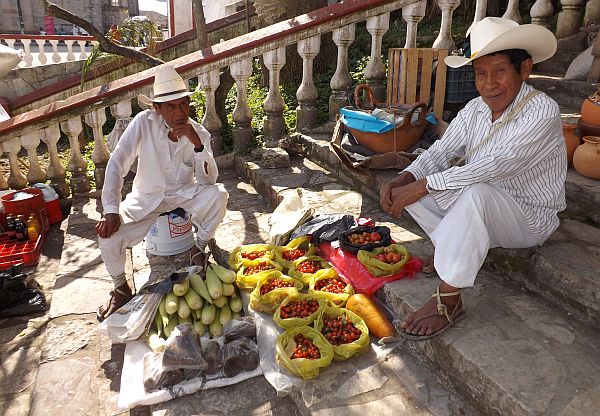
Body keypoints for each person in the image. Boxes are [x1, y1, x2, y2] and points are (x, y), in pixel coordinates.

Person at [380, 17, 566, 340]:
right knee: (419, 189)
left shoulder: (543, 111)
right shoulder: (475, 109)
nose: (489, 84)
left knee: (471, 192)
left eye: (499, 72)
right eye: (481, 73)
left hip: (529, 216)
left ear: (524, 70)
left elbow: (494, 166)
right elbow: (441, 151)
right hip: (483, 203)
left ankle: (448, 300)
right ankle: (451, 252)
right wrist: (405, 178)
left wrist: (423, 184)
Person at [96, 65, 229, 322]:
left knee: (218, 195)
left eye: (183, 105)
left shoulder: (198, 133)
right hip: (145, 198)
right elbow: (117, 163)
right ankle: (121, 288)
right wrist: (110, 210)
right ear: (157, 108)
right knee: (107, 234)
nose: (180, 113)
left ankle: (198, 248)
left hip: (183, 195)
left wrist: (198, 145)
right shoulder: (142, 124)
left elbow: (209, 179)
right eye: (171, 106)